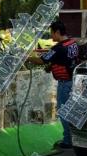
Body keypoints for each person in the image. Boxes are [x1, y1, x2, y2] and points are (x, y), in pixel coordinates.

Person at [27, 21, 79, 149]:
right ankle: (75, 138)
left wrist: (26, 57)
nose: (51, 37)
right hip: (74, 81)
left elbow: (40, 60)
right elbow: (65, 60)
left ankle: (68, 140)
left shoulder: (58, 48)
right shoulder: (72, 43)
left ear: (57, 32)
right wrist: (52, 66)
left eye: (52, 33)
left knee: (64, 112)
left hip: (65, 83)